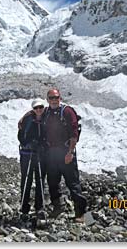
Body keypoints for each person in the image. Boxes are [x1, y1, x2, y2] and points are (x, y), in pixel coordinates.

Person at [43, 88, 87, 223]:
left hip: (66, 151)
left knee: (72, 183)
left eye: (56, 98)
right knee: (52, 182)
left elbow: (74, 134)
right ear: (47, 100)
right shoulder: (46, 112)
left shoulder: (67, 111)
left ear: (60, 98)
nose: (54, 100)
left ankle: (80, 212)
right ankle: (58, 206)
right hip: (52, 153)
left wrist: (70, 152)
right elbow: (35, 116)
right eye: (51, 98)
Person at [17, 98, 47, 220]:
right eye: (36, 108)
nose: (38, 110)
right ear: (33, 109)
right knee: (27, 180)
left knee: (40, 180)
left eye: (41, 107)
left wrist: (43, 144)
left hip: (41, 154)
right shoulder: (28, 119)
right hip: (28, 154)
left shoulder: (46, 118)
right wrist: (29, 143)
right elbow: (21, 136)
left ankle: (39, 206)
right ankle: (24, 207)